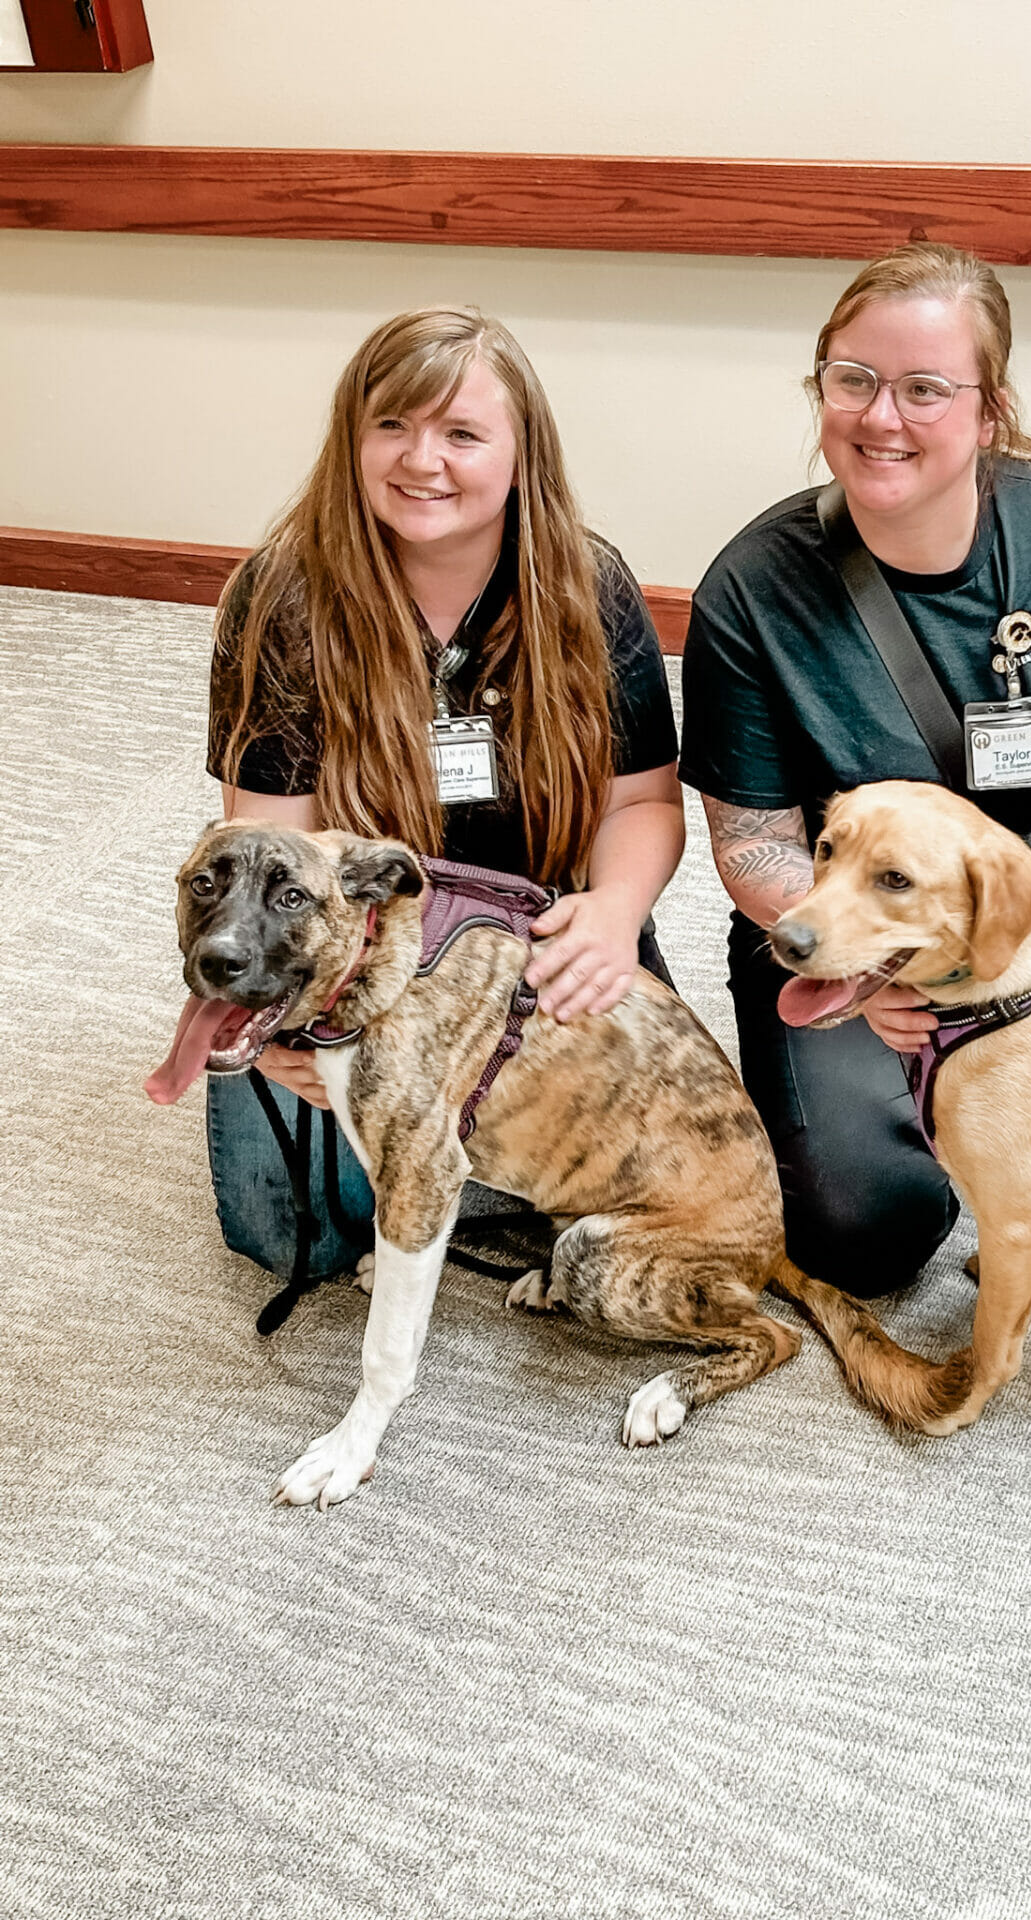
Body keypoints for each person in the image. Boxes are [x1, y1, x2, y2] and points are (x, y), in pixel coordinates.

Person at [680, 243, 1031, 1300]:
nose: (880, 417)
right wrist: (870, 982)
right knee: (864, 1232)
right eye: (852, 380)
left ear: (989, 411)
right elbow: (751, 838)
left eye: (924, 389)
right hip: (849, 940)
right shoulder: (754, 589)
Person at [207, 306, 684, 1282]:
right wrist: (294, 1016)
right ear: (352, 439)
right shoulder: (283, 595)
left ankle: (476, 1148)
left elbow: (641, 803)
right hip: (355, 955)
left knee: (668, 1177)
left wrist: (614, 916)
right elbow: (269, 849)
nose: (422, 460)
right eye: (392, 426)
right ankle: (470, 1159)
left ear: (521, 452)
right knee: (297, 1230)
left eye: (462, 433)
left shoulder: (587, 588)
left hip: (536, 941)